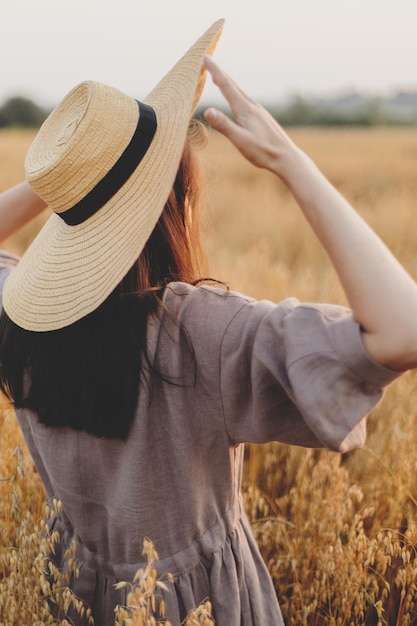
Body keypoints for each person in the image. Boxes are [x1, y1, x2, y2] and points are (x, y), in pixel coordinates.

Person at [0, 18, 417, 626]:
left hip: (68, 594)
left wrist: (68, 182)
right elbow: (403, 331)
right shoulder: (200, 334)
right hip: (203, 609)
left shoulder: (20, 315)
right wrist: (291, 162)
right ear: (177, 200)